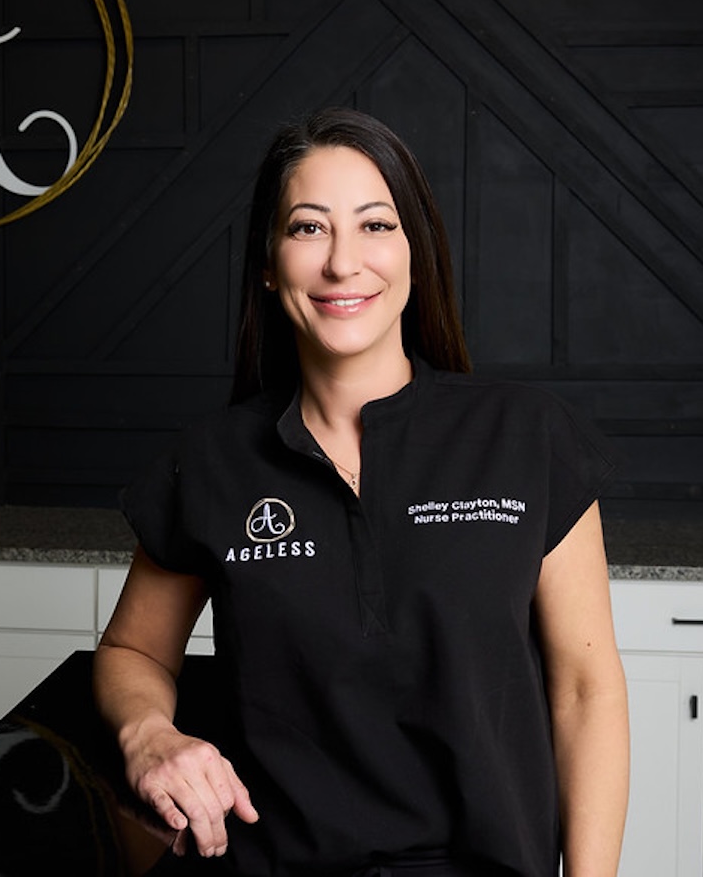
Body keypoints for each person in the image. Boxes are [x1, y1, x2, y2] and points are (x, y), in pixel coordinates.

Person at [94, 107, 629, 877]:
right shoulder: (210, 463)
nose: (343, 263)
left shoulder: (524, 437)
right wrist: (150, 734)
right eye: (309, 228)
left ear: (417, 253)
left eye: (375, 225)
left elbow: (587, 692)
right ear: (270, 263)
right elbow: (131, 650)